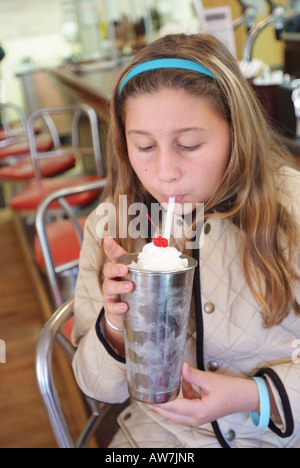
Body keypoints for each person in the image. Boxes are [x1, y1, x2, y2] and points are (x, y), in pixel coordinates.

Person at [71, 33, 300, 448]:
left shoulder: (292, 207)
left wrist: (255, 394)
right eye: (143, 146)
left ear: (236, 132)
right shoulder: (113, 225)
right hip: (160, 438)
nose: (164, 172)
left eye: (189, 145)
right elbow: (98, 388)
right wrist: (116, 323)